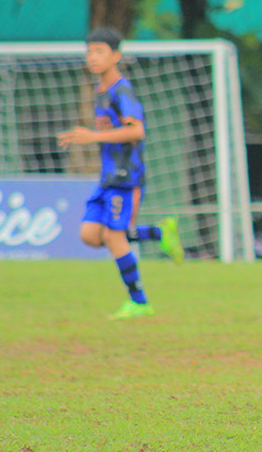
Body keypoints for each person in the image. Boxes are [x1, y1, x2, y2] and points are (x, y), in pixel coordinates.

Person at [57, 28, 184, 320]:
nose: (93, 57)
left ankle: (139, 302)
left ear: (116, 55)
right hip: (108, 176)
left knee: (114, 236)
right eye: (89, 51)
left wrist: (93, 137)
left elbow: (136, 130)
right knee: (90, 235)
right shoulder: (101, 92)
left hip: (127, 176)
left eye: (100, 51)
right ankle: (159, 233)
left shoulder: (122, 90)